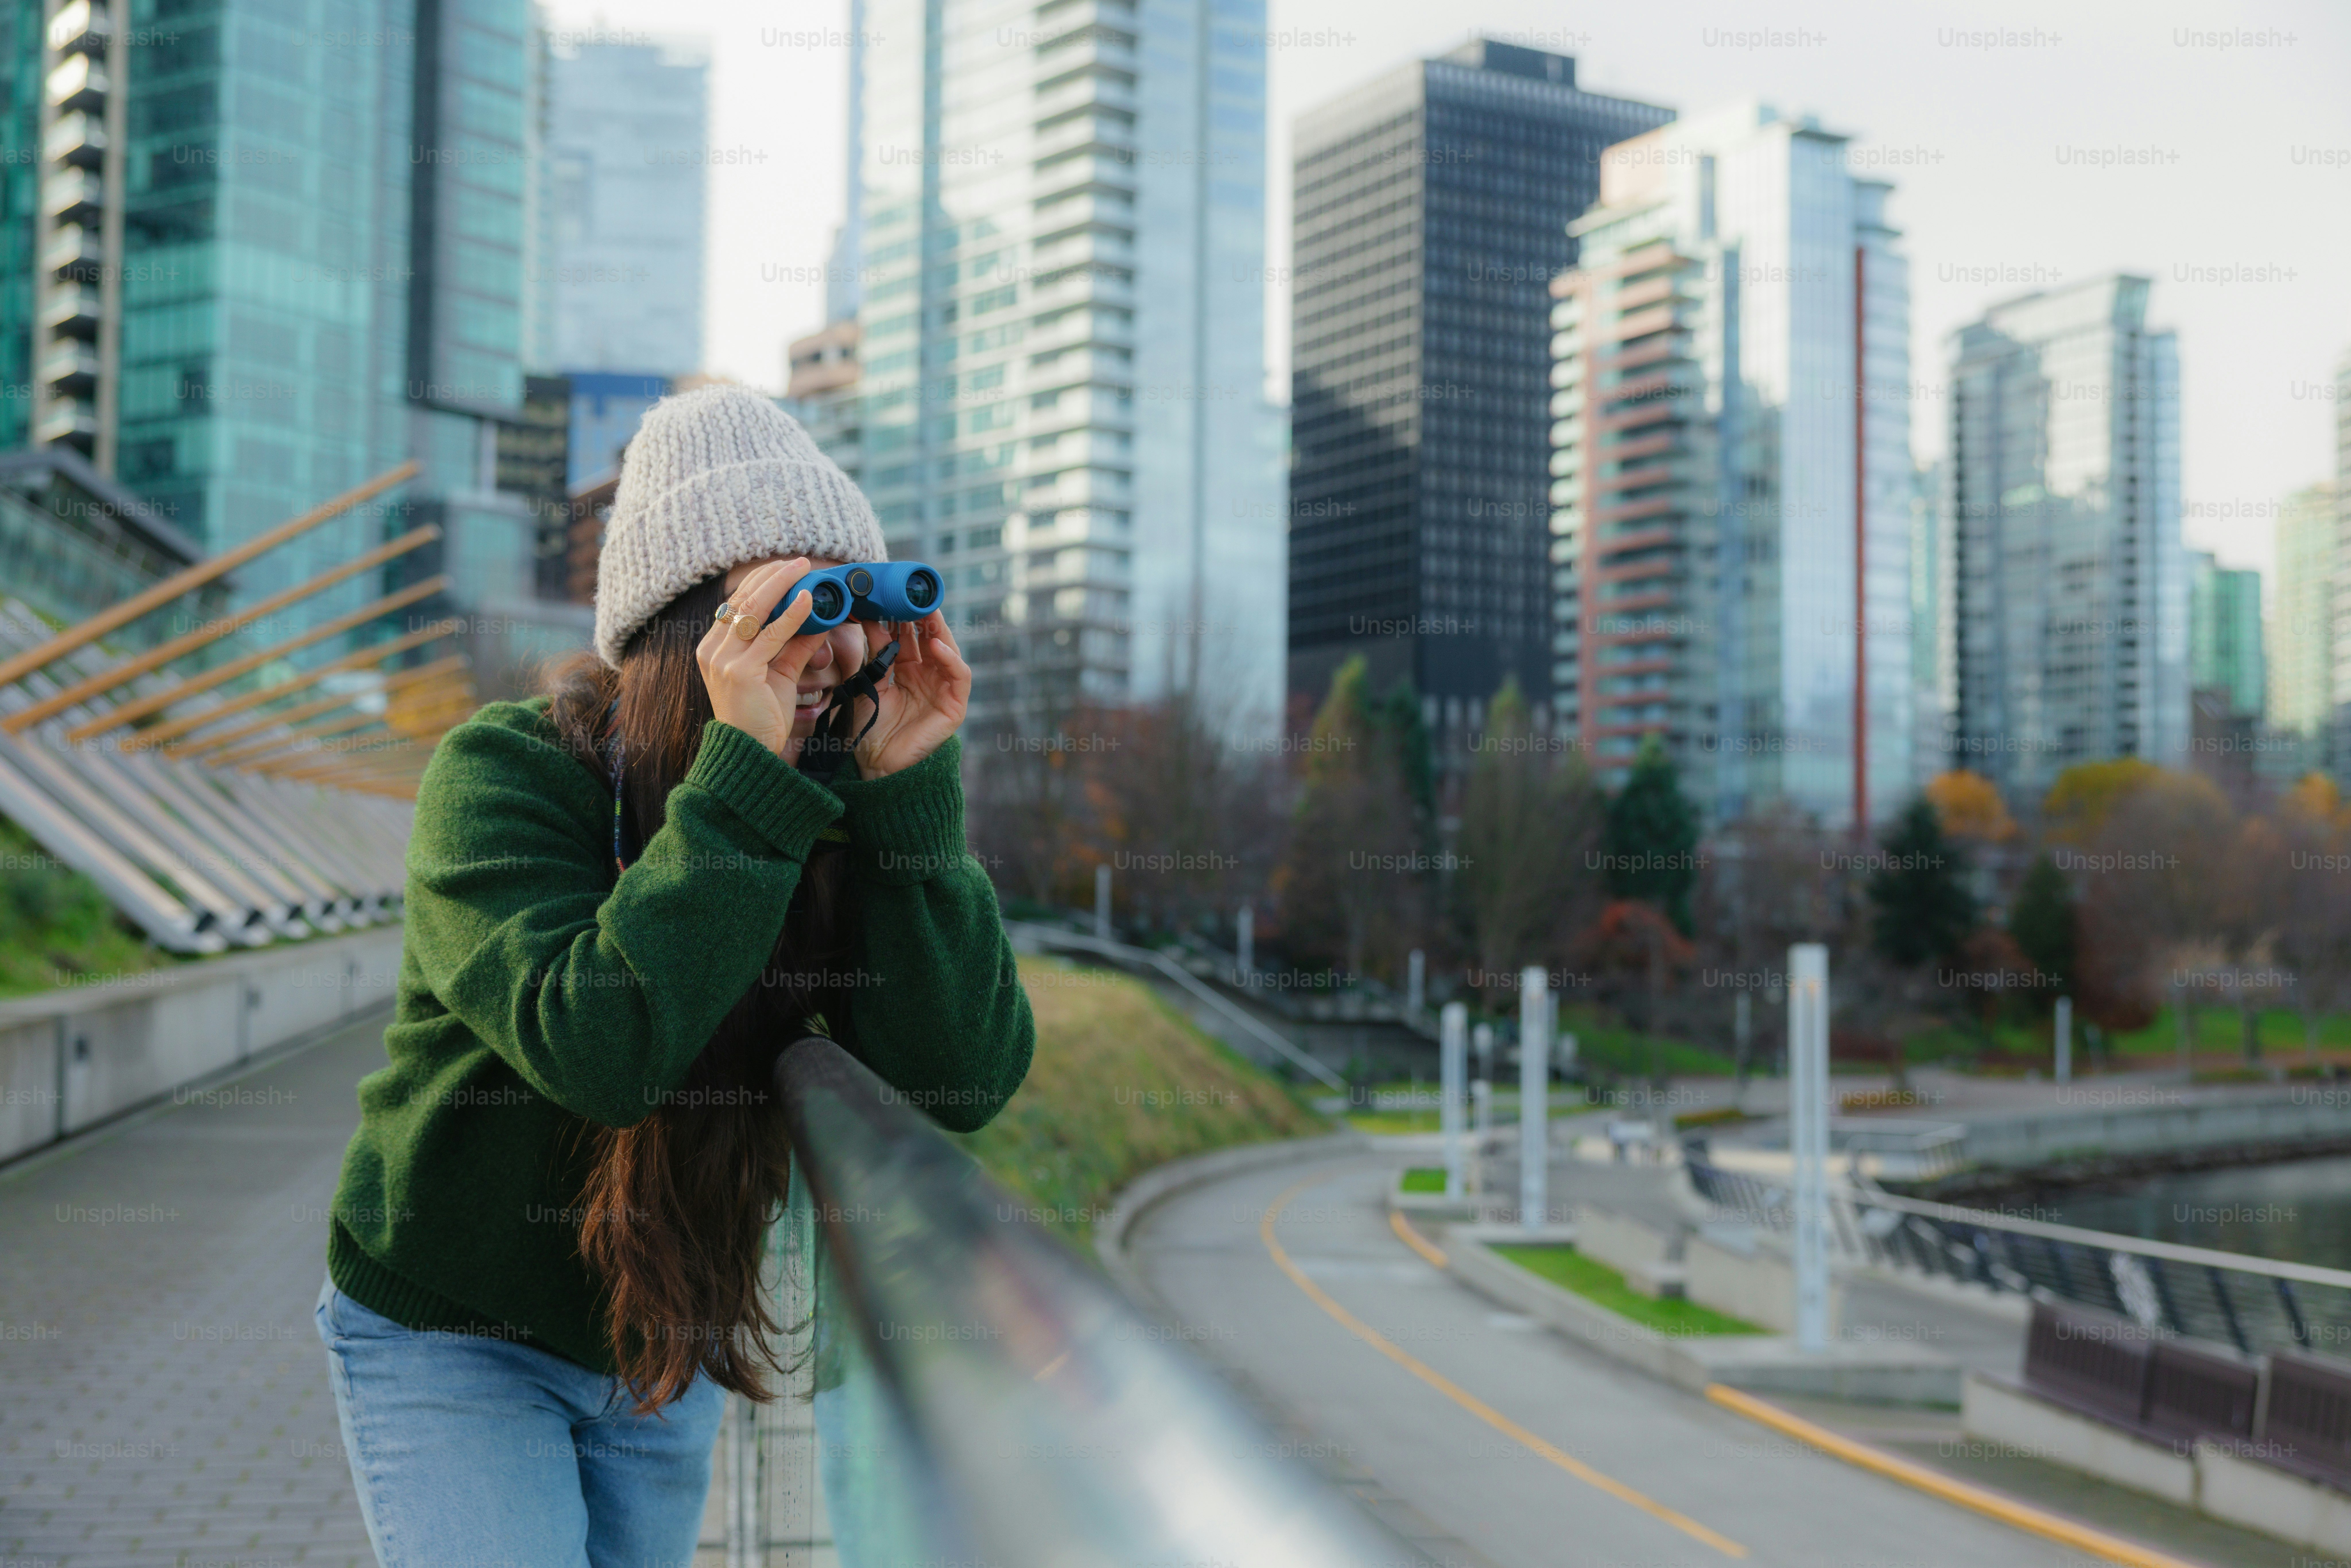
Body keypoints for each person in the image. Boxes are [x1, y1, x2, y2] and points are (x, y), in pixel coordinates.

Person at [315, 384, 1034, 1566]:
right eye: (791, 610)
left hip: (658, 1338)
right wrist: (748, 776)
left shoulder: (816, 797)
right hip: (454, 1329)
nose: (830, 657)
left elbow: (959, 1080)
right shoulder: (501, 779)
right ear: (687, 632)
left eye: (848, 604)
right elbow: (601, 1048)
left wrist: (909, 798)